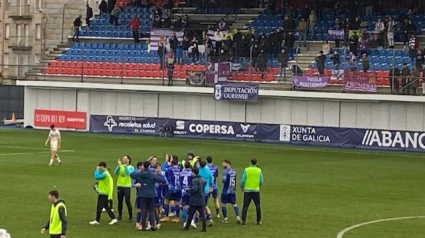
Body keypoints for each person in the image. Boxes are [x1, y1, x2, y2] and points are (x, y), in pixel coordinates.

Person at [131, 161, 166, 231]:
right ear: (149, 166)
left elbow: (131, 175)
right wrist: (158, 175)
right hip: (151, 194)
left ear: (143, 166)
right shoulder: (152, 174)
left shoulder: (140, 174)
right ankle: (153, 224)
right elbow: (163, 181)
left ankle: (143, 226)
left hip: (142, 194)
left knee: (143, 210)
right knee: (151, 210)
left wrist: (139, 170)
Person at [182, 167, 207, 232]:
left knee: (190, 214)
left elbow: (194, 189)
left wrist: (187, 190)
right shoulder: (202, 179)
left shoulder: (194, 180)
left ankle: (186, 227)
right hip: (201, 199)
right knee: (202, 214)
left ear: (193, 172)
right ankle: (204, 228)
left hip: (195, 200)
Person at [240, 159, 264, 225]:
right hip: (256, 190)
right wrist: (257, 185)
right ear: (256, 163)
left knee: (245, 206)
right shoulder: (259, 170)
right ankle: (258, 221)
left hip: (247, 190)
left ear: (250, 162)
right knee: (258, 206)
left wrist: (242, 187)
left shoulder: (246, 170)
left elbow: (242, 180)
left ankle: (243, 221)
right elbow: (262, 181)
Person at [114, 155, 134, 221]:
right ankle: (120, 216)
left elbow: (128, 174)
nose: (124, 160)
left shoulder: (131, 167)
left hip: (127, 186)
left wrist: (125, 166)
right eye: (123, 159)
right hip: (120, 185)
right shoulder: (120, 166)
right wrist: (119, 166)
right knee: (120, 201)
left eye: (125, 159)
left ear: (128, 160)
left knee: (127, 201)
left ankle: (130, 216)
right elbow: (115, 173)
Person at [162, 156, 182, 222]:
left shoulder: (170, 169)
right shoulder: (180, 168)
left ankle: (166, 217)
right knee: (177, 202)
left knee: (166, 200)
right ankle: (177, 218)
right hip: (179, 188)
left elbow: (163, 168)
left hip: (171, 188)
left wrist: (166, 161)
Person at [221, 160, 241, 224]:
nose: (222, 164)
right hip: (232, 190)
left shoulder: (225, 171)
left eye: (223, 163)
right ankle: (238, 217)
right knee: (234, 204)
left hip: (226, 191)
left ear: (227, 164)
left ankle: (225, 219)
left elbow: (224, 180)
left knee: (223, 204)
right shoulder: (234, 172)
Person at [180, 161, 196, 228]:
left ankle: (184, 222)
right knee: (192, 207)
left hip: (183, 192)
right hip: (190, 192)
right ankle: (192, 221)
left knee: (184, 207)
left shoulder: (181, 173)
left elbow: (180, 183)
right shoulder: (191, 173)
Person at [199, 160, 214, 226]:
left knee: (200, 205)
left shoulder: (198, 171)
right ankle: (209, 217)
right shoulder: (208, 171)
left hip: (200, 191)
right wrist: (211, 186)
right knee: (204, 205)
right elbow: (211, 179)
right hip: (206, 190)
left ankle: (202, 218)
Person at [154, 163, 168, 229]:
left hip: (159, 194)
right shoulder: (152, 175)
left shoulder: (161, 175)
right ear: (155, 169)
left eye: (160, 168)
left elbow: (166, 182)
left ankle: (157, 222)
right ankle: (157, 222)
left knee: (157, 208)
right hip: (153, 194)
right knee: (155, 208)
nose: (159, 169)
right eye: (158, 168)